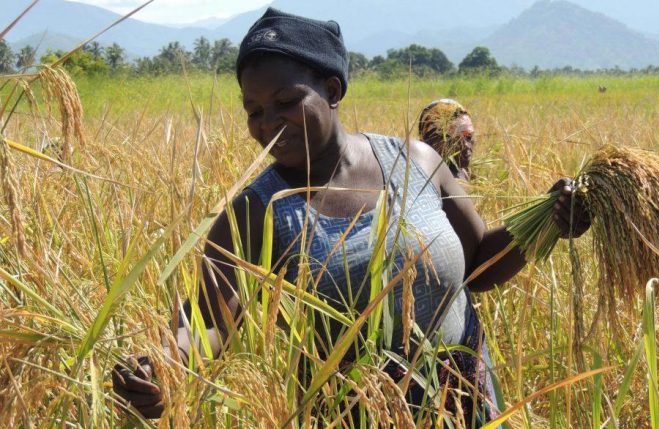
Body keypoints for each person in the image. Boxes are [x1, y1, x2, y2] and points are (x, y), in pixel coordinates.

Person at [111, 8, 591, 425]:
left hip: (465, 400)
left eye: (285, 102)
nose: (267, 124)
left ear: (332, 88)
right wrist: (163, 369)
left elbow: (480, 264)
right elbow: (208, 324)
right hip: (353, 411)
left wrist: (548, 218)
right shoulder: (257, 211)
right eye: (253, 110)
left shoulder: (417, 162)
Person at [418, 99, 475, 181]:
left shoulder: (462, 171)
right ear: (431, 141)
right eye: (455, 140)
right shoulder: (425, 179)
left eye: (469, 137)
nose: (466, 145)